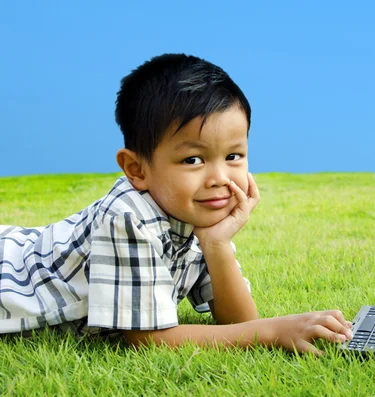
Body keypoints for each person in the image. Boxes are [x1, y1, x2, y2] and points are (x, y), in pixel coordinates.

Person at [0, 53, 352, 354]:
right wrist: (273, 332)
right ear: (137, 169)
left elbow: (240, 321)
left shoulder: (192, 215)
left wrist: (217, 244)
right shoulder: (127, 216)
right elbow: (148, 338)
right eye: (193, 160)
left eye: (233, 155)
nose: (219, 177)